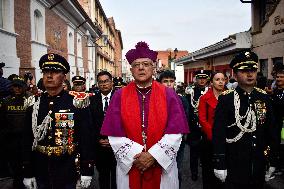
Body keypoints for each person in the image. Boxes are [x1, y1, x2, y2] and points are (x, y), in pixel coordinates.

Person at [100, 41, 189, 189]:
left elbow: (176, 132)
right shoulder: (119, 95)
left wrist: (154, 156)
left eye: (146, 64)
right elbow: (114, 133)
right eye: (136, 65)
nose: (141, 68)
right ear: (131, 69)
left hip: (161, 167)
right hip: (131, 164)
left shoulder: (168, 95)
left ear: (153, 68)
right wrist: (138, 156)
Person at [22, 53, 94, 189]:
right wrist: (27, 171)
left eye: (55, 72)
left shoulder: (76, 103)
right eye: (45, 72)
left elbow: (86, 138)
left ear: (64, 76)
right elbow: (27, 139)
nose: (49, 75)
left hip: (68, 169)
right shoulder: (33, 104)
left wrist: (87, 170)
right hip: (40, 168)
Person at [212, 51, 278, 189]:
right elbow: (218, 133)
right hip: (234, 164)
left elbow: (271, 131)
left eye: (253, 70)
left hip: (259, 163)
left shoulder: (264, 97)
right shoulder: (226, 99)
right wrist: (219, 163)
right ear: (235, 75)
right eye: (244, 71)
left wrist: (273, 160)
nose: (250, 74)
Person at [158, 70, 190, 188]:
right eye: (165, 81)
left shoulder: (182, 100)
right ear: (160, 83)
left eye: (171, 81)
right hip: (158, 142)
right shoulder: (154, 99)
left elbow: (186, 121)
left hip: (177, 143)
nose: (168, 84)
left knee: (177, 171)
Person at [198, 71, 225, 189]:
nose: (220, 82)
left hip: (226, 139)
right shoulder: (204, 98)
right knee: (209, 172)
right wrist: (214, 136)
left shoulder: (230, 97)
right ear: (212, 82)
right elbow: (202, 119)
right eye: (217, 79)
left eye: (223, 79)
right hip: (209, 140)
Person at [89, 71, 116, 189]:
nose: (104, 84)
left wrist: (114, 141)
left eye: (106, 81)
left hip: (117, 147)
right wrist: (98, 140)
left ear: (111, 82)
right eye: (101, 82)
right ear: (98, 84)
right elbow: (90, 124)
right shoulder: (92, 100)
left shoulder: (120, 98)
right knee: (103, 178)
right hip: (100, 147)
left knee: (117, 179)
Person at [0, 76, 28, 189]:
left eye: (19, 86)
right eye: (15, 86)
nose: (17, 89)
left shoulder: (30, 100)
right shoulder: (5, 102)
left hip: (26, 139)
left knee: (26, 163)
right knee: (15, 165)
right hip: (11, 139)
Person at [186, 69, 210, 181]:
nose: (202, 80)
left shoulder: (210, 91)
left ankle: (207, 172)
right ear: (196, 79)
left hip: (206, 127)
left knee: (206, 152)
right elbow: (187, 110)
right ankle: (194, 173)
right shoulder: (190, 92)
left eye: (204, 78)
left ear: (207, 79)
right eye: (200, 78)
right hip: (194, 127)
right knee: (194, 152)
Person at [270, 64, 284, 178]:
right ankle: (277, 166)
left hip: (283, 125)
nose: (279, 79)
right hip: (275, 125)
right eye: (278, 77)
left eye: (282, 77)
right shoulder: (274, 91)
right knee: (276, 146)